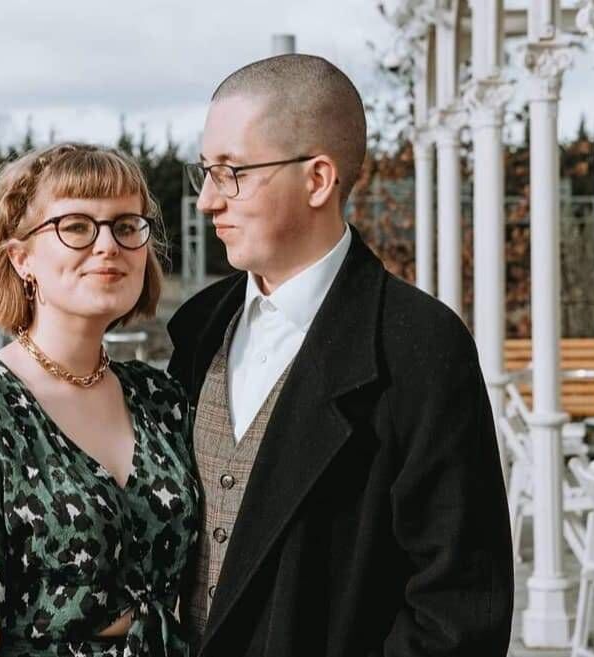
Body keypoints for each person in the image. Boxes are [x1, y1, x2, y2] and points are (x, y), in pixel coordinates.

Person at [168, 54, 514, 657]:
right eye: (206, 172)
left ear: (318, 180)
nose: (207, 202)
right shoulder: (199, 328)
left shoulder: (422, 347)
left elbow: (458, 611)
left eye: (231, 172)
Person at [0, 143, 199, 657]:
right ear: (21, 258)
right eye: (76, 226)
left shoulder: (162, 400)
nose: (108, 245)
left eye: (127, 226)